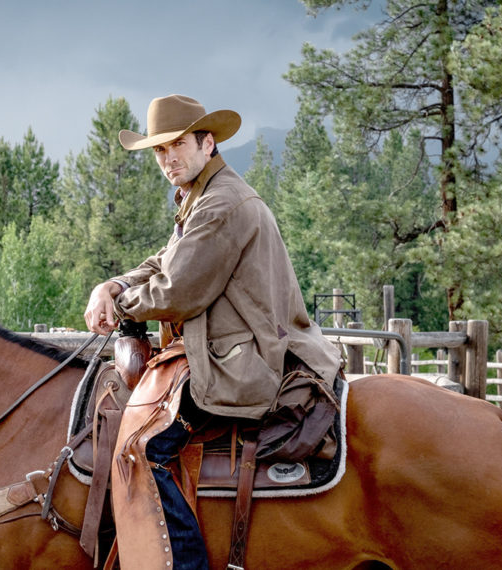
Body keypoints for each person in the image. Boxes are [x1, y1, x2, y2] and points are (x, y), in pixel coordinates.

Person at [83, 94, 342, 569]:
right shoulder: (198, 196)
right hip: (229, 347)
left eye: (176, 145)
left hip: (243, 358)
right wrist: (114, 284)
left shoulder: (222, 201)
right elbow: (165, 262)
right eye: (159, 151)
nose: (167, 159)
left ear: (208, 141)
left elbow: (178, 290)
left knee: (145, 448)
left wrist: (118, 304)